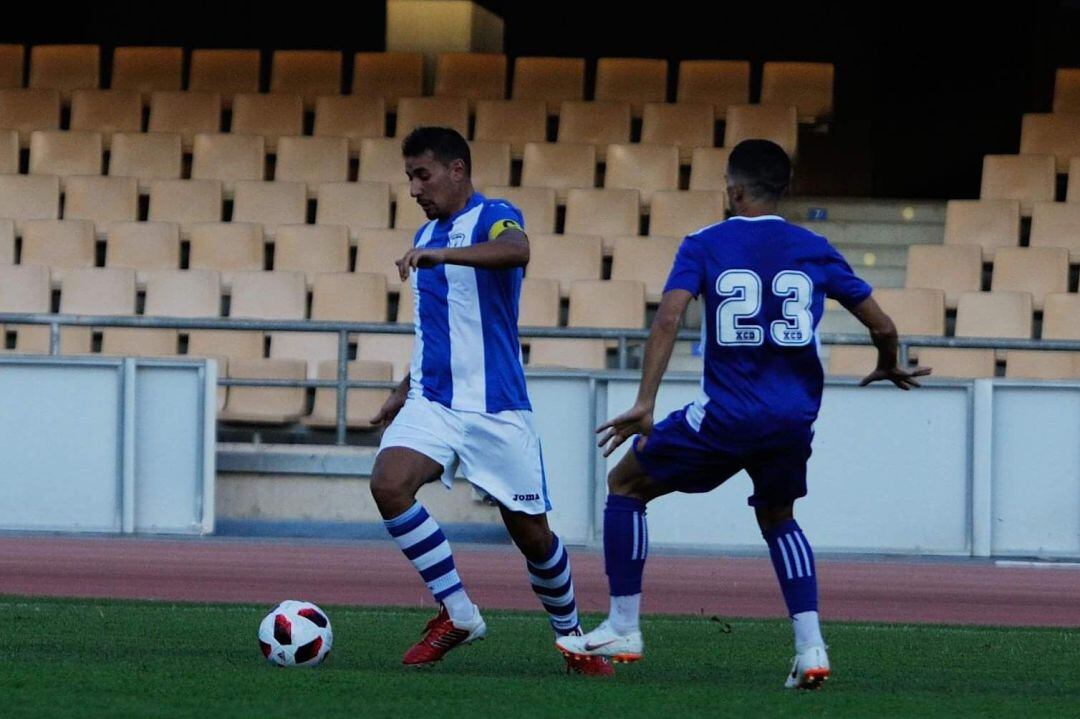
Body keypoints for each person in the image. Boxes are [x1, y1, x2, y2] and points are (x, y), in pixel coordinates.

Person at [556, 139, 930, 689]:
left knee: (626, 482)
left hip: (727, 415)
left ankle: (623, 625)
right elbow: (882, 324)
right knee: (779, 518)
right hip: (793, 421)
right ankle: (812, 648)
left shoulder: (705, 243)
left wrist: (645, 402)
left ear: (732, 191)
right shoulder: (814, 246)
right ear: (786, 189)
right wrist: (888, 363)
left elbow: (669, 319)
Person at [369, 126, 612, 676]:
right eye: (409, 176)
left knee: (532, 536)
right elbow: (438, 329)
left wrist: (445, 254)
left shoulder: (495, 215)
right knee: (388, 483)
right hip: (435, 402)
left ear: (457, 170)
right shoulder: (425, 235)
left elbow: (517, 249)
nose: (413, 188)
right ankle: (457, 613)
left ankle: (573, 641)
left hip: (497, 407)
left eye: (422, 174)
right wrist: (403, 390)